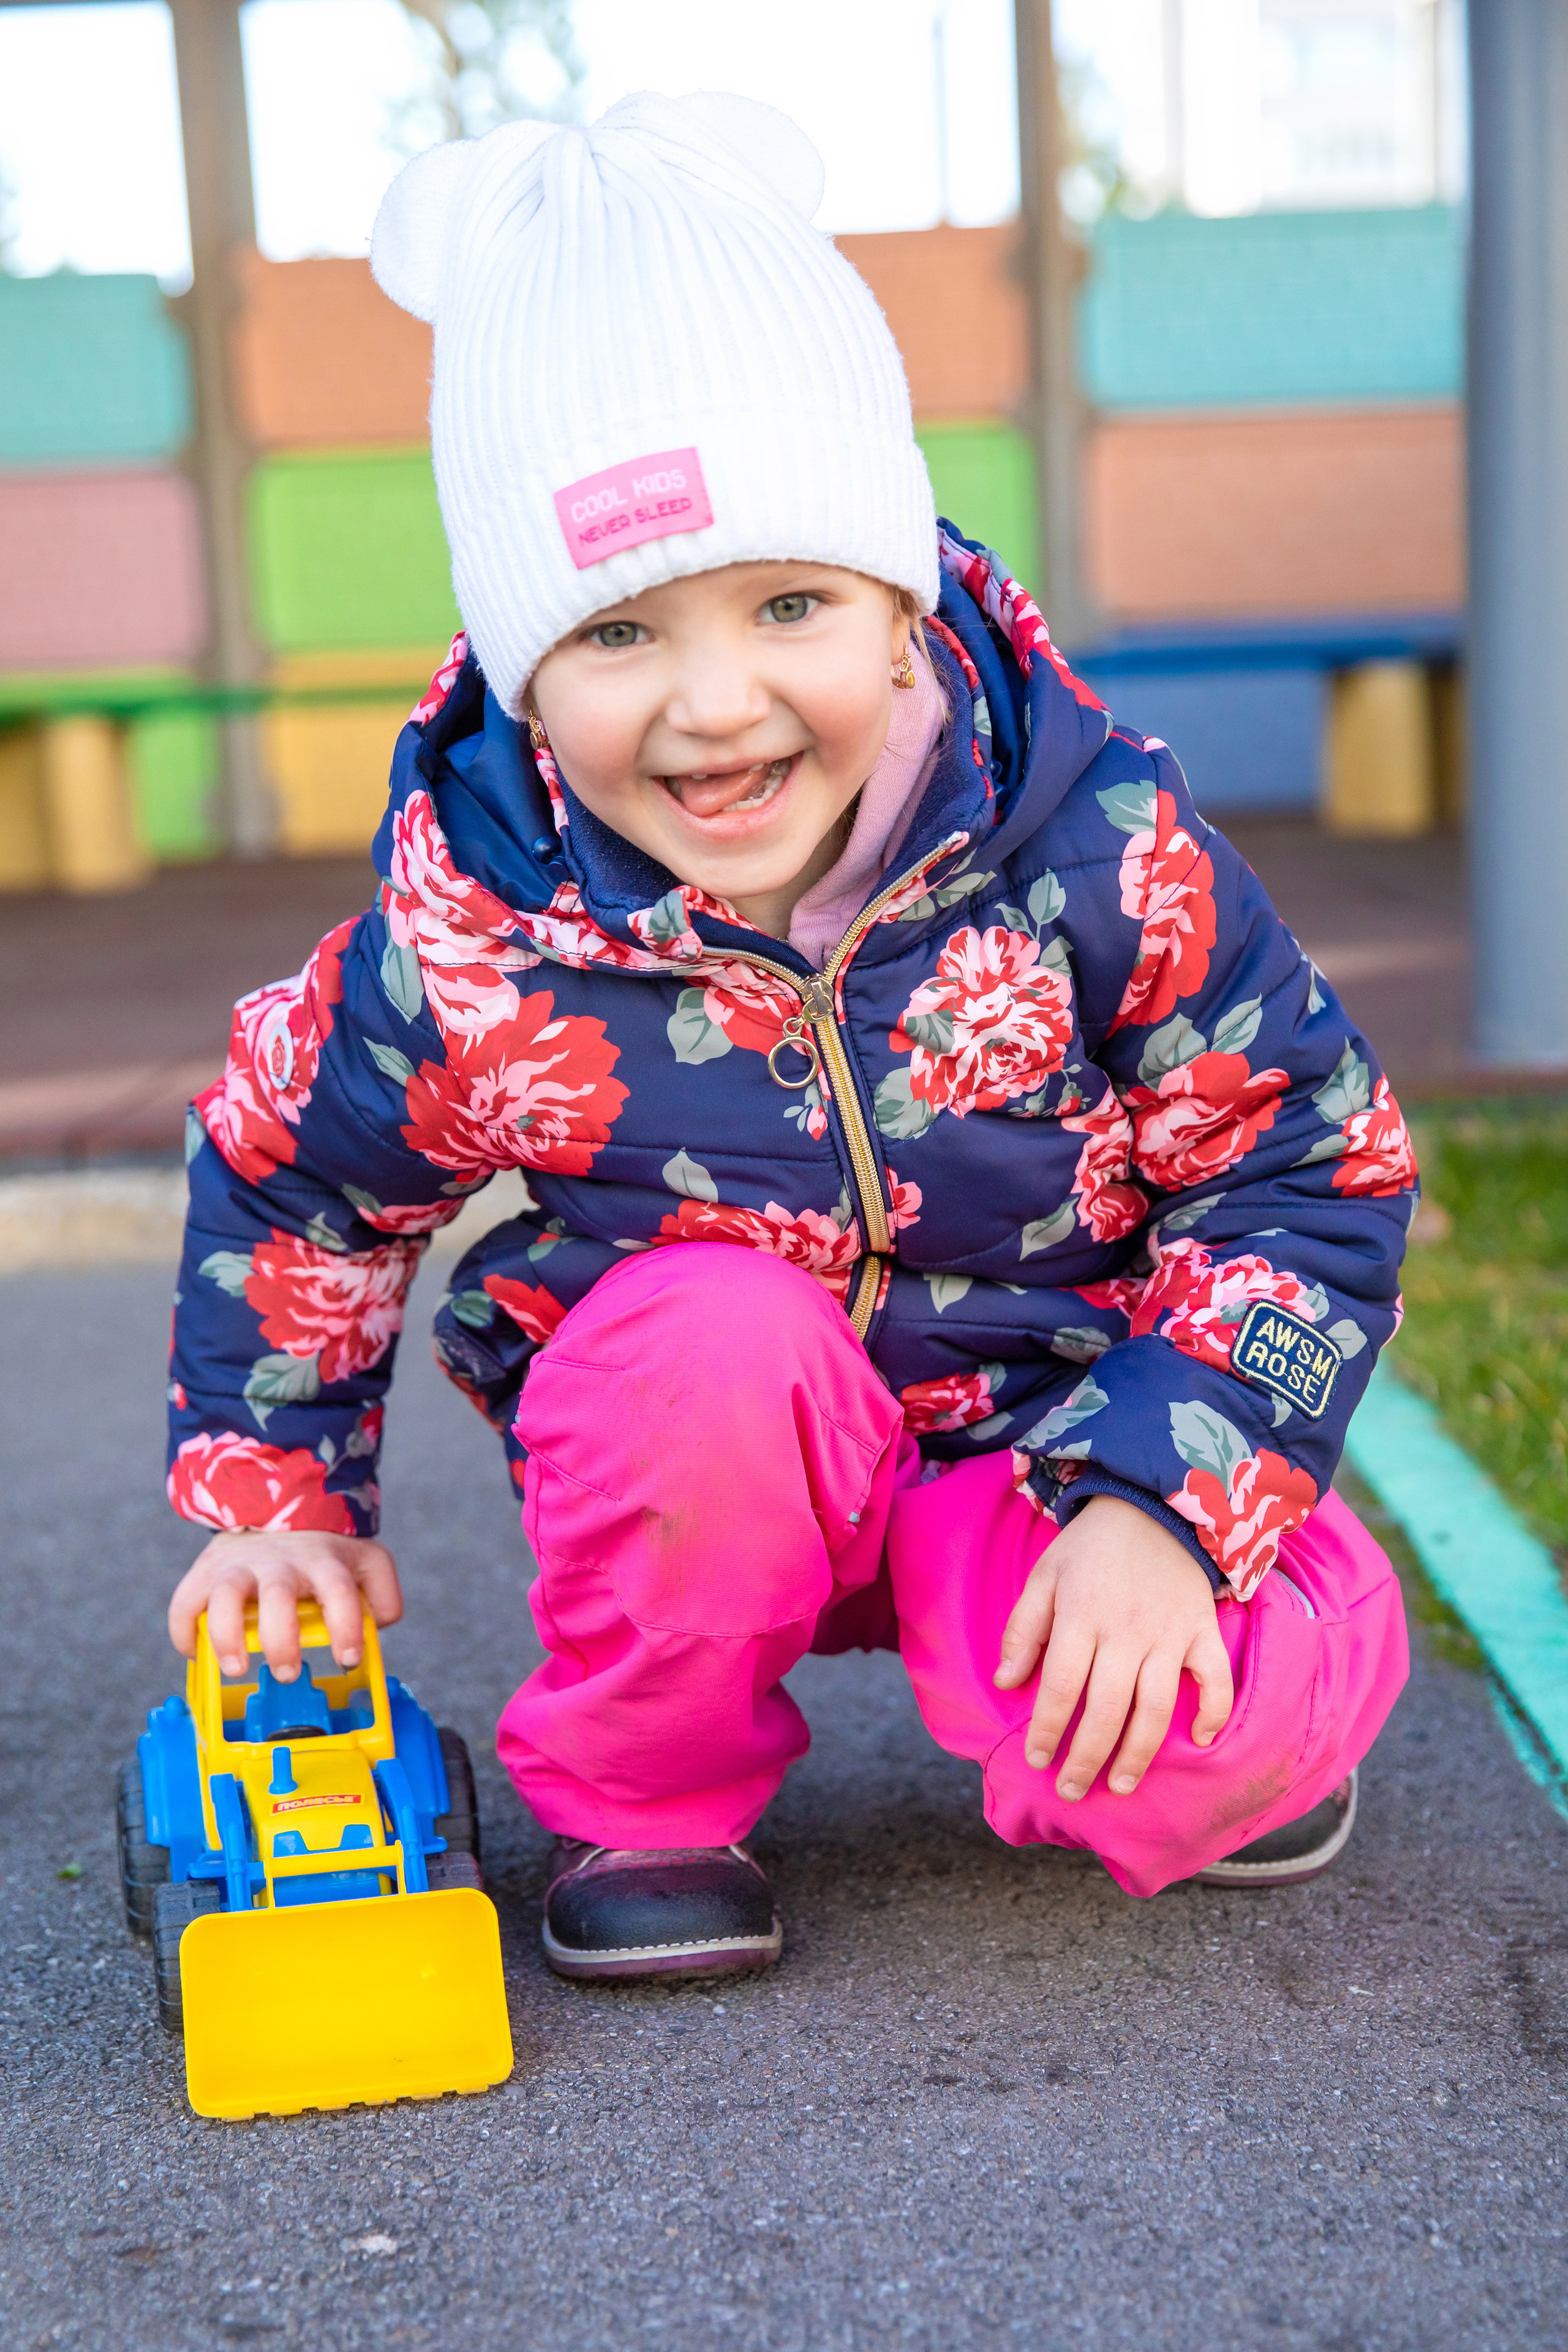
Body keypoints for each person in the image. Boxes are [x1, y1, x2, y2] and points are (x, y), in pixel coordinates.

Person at [164, 93, 1414, 1982]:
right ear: (521, 660)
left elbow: (1305, 1167)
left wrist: (1171, 1500)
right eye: (616, 635)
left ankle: (1207, 1675)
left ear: (904, 609)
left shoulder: (1097, 851)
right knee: (697, 1352)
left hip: (1063, 1446)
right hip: (720, 1456)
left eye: (792, 602)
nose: (715, 705)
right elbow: (292, 1177)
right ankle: (652, 1789)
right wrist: (274, 1504)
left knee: (1216, 1738)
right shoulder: (475, 933)